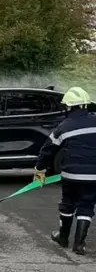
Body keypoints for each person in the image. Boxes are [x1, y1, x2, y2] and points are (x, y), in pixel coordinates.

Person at [34, 86, 96, 255]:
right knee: (87, 206)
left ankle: (63, 237)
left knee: (68, 204)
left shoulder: (64, 127)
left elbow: (47, 151)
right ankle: (79, 244)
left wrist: (39, 171)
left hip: (71, 175)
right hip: (93, 177)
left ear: (68, 107)